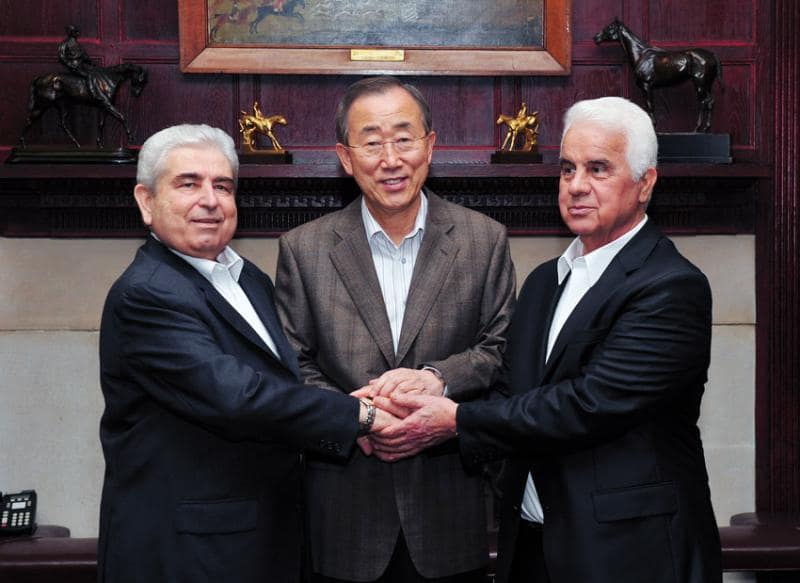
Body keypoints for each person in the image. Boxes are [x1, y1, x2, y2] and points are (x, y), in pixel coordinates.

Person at [369, 96, 723, 583]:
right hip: (535, 546)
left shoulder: (670, 285)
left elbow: (589, 404)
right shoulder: (543, 282)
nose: (576, 186)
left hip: (630, 553)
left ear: (645, 184)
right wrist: (426, 389)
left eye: (598, 169)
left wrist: (455, 420)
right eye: (567, 169)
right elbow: (512, 391)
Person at [97, 124, 395, 583]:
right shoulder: (146, 294)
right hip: (186, 554)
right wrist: (361, 415)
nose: (210, 200)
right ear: (146, 201)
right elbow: (237, 396)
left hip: (261, 539)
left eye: (223, 186)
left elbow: (284, 381)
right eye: (188, 184)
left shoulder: (248, 279)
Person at [274, 76, 516, 582]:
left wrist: (437, 379)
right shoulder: (304, 248)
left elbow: (499, 349)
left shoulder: (483, 240)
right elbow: (293, 364)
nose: (391, 159)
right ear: (345, 157)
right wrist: (358, 416)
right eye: (371, 142)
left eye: (404, 138)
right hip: (343, 515)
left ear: (430, 146)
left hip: (448, 512)